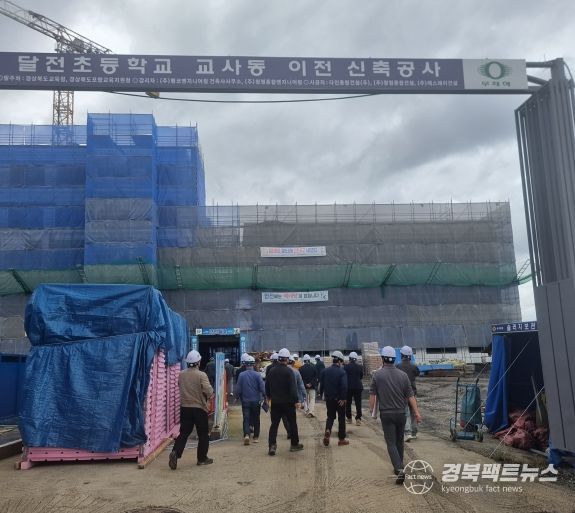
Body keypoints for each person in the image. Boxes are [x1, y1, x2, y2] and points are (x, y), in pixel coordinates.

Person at [369, 346, 422, 484]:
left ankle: (399, 469)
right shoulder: (403, 376)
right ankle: (400, 466)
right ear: (394, 358)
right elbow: (410, 396)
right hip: (401, 414)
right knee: (399, 441)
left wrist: (372, 411)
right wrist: (416, 413)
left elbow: (373, 396)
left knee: (391, 443)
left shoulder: (377, 375)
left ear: (382, 358)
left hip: (386, 414)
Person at [169, 350, 214, 469]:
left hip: (185, 408)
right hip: (199, 408)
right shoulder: (201, 375)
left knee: (184, 433)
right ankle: (202, 459)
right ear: (198, 362)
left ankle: (175, 452)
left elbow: (180, 386)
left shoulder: (181, 374)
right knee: (203, 434)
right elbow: (209, 391)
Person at [265, 348, 303, 455]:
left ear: (279, 359)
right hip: (288, 403)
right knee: (292, 423)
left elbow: (267, 386)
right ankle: (294, 444)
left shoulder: (271, 371)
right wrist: (296, 401)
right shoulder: (289, 371)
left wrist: (268, 397)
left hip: (275, 403)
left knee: (274, 425)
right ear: (287, 359)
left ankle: (272, 446)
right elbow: (293, 388)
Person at [235, 355, 267, 445]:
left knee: (246, 418)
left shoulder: (241, 375)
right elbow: (262, 387)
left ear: (245, 364)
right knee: (256, 418)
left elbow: (238, 388)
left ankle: (246, 435)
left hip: (245, 401)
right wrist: (265, 396)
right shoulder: (257, 375)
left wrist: (237, 397)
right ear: (253, 364)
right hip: (256, 401)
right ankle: (256, 437)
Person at [320, 351, 349, 447]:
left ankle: (328, 430)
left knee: (330, 417)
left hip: (329, 398)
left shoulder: (325, 371)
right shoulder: (342, 372)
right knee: (341, 418)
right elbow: (344, 386)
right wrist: (343, 398)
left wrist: (322, 394)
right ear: (339, 361)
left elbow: (321, 384)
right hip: (339, 399)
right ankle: (341, 439)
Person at [396, 345, 420, 442]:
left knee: (405, 413)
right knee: (414, 412)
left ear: (402, 355)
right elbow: (417, 373)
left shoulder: (398, 366)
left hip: (402, 393)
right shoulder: (414, 366)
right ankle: (414, 432)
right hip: (413, 393)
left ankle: (408, 432)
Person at [344, 351, 364, 426]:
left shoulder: (345, 367)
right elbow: (361, 376)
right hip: (358, 387)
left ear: (349, 359)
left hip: (348, 387)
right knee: (358, 403)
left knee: (348, 403)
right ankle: (358, 419)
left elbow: (344, 377)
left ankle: (349, 418)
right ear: (356, 359)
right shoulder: (360, 367)